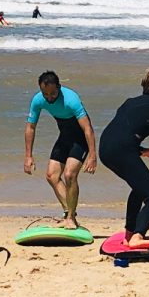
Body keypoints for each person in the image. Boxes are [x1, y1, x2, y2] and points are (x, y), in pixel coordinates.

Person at [100, 69, 149, 248]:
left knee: (138, 189)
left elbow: (121, 131)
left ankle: (129, 234)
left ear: (143, 86)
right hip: (123, 150)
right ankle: (137, 237)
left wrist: (140, 150)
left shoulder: (129, 103)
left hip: (105, 148)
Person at [24, 71, 97, 229]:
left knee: (70, 175)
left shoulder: (71, 99)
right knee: (51, 176)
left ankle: (70, 217)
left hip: (80, 139)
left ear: (59, 87)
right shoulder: (38, 100)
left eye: (53, 93)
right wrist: (28, 156)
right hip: (65, 137)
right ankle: (69, 214)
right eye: (46, 94)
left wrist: (92, 155)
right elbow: (30, 127)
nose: (49, 97)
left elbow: (88, 129)